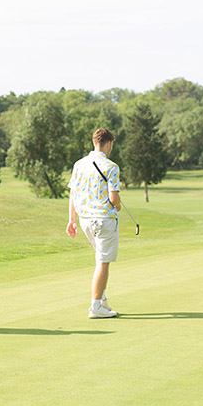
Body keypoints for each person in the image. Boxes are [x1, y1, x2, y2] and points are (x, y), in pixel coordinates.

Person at [66, 128, 122, 318]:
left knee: (100, 260)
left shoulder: (79, 164)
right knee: (103, 263)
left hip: (85, 220)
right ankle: (96, 306)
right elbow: (113, 198)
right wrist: (119, 205)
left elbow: (73, 193)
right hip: (104, 220)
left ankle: (102, 301)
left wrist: (71, 220)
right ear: (108, 144)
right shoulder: (112, 167)